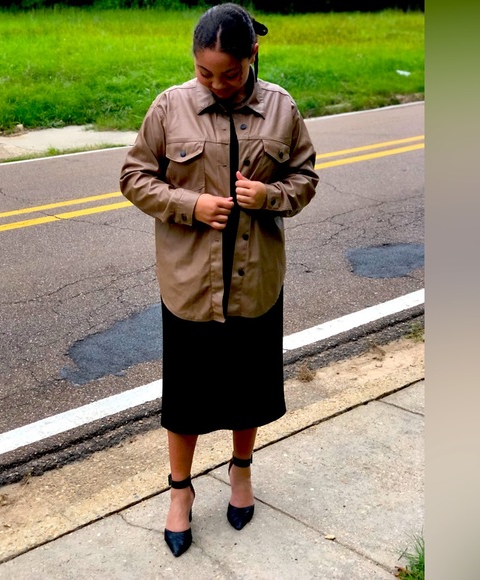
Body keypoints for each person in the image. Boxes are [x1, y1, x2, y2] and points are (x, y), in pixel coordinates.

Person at [120, 2, 319, 557]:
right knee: (186, 398)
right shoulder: (170, 106)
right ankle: (179, 491)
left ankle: (241, 471)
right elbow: (134, 176)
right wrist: (191, 204)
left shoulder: (281, 107)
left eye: (229, 74)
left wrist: (269, 196)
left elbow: (305, 177)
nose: (216, 84)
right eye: (204, 72)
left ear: (253, 54)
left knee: (249, 392)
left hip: (255, 281)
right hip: (191, 283)